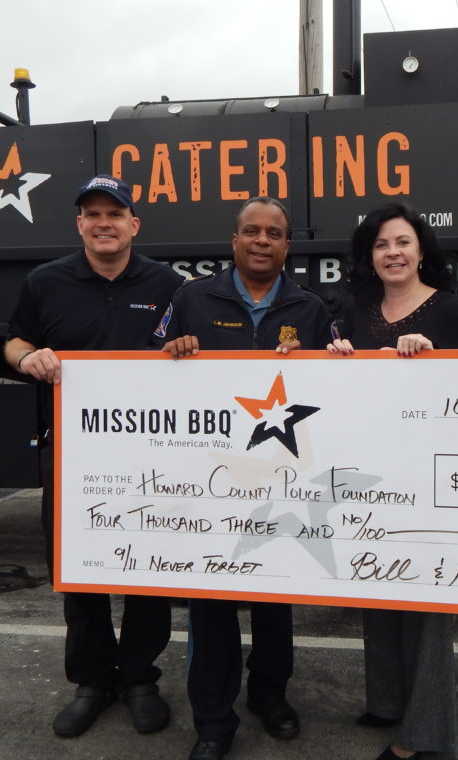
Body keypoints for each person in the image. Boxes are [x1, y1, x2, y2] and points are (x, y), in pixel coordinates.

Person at [157, 195, 335, 760]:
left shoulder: (311, 308)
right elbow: (142, 373)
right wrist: (170, 352)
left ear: (287, 245)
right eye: (252, 231)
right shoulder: (190, 299)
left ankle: (270, 694)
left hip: (283, 478)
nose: (262, 240)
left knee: (275, 596)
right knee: (210, 602)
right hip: (210, 483)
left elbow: (341, 389)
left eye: (274, 233)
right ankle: (213, 720)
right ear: (233, 240)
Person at [4, 175, 179, 739]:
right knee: (77, 566)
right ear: (79, 224)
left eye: (115, 213)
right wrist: (28, 357)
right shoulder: (46, 282)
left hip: (151, 455)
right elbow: (13, 339)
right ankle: (93, 680)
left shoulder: (169, 285)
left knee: (149, 568)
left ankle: (139, 678)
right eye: (92, 213)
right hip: (73, 456)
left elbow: (196, 354)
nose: (104, 222)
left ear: (135, 224)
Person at [328, 201, 458, 760]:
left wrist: (431, 358)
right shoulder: (354, 308)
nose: (393, 253)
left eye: (403, 242)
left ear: (421, 251)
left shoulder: (449, 311)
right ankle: (388, 702)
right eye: (382, 244)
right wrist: (335, 356)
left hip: (431, 476)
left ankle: (423, 735)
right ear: (371, 256)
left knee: (428, 604)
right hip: (369, 471)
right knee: (379, 589)